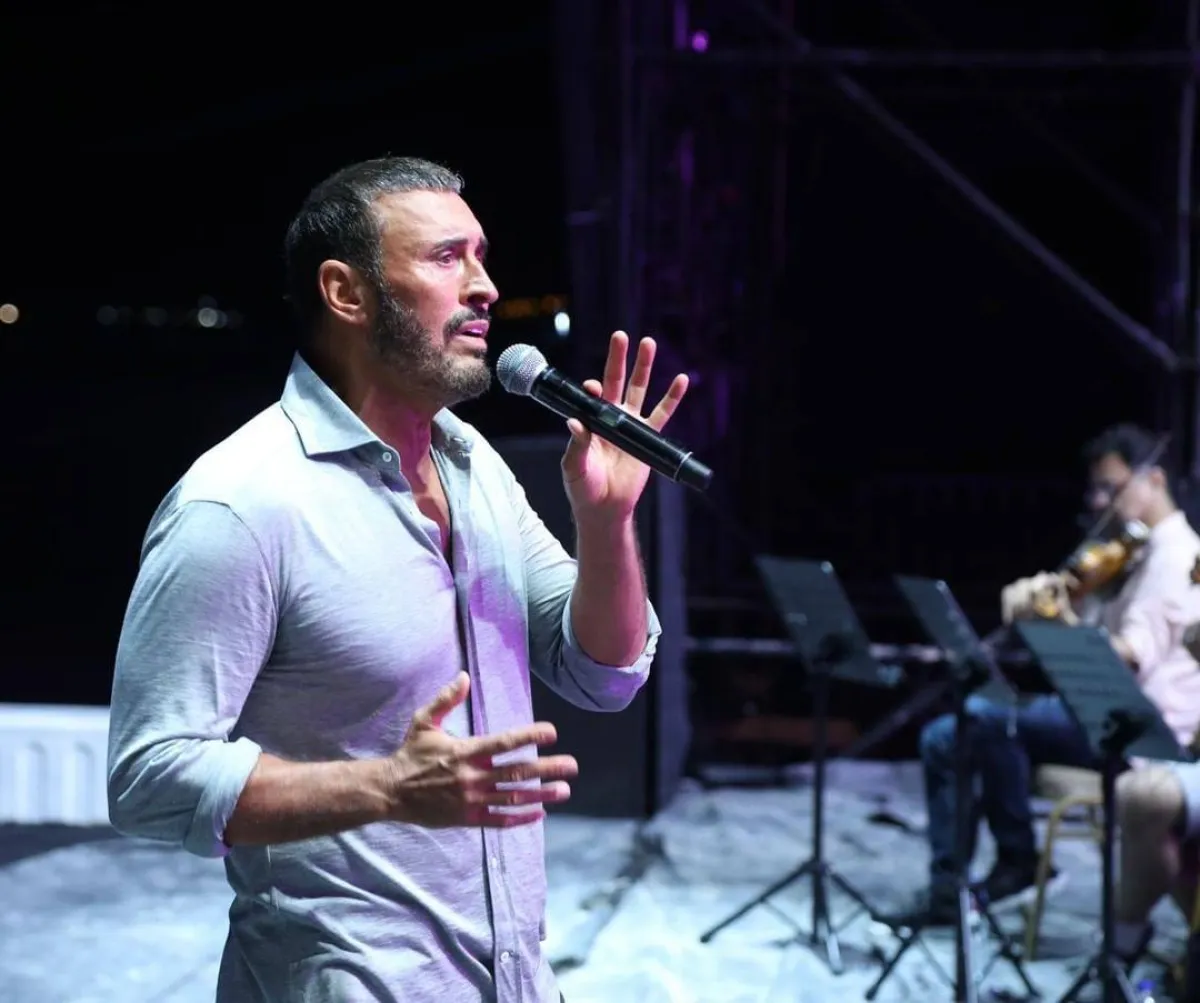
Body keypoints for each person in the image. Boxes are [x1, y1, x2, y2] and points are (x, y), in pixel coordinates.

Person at [106, 156, 689, 1003]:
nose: (485, 287)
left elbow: (604, 673)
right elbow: (148, 779)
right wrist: (387, 785)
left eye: (481, 255)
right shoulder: (241, 502)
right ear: (346, 292)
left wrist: (605, 524)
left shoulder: (472, 465)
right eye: (448, 258)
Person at [888, 423, 1200, 929]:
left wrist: (1060, 624)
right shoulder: (1129, 554)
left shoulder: (1177, 557)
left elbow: (1127, 659)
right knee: (947, 736)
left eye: (1112, 488)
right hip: (1098, 715)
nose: (1099, 502)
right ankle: (953, 887)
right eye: (1095, 490)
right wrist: (1044, 611)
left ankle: (1018, 863)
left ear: (1155, 480)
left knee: (985, 717)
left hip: (1138, 729)